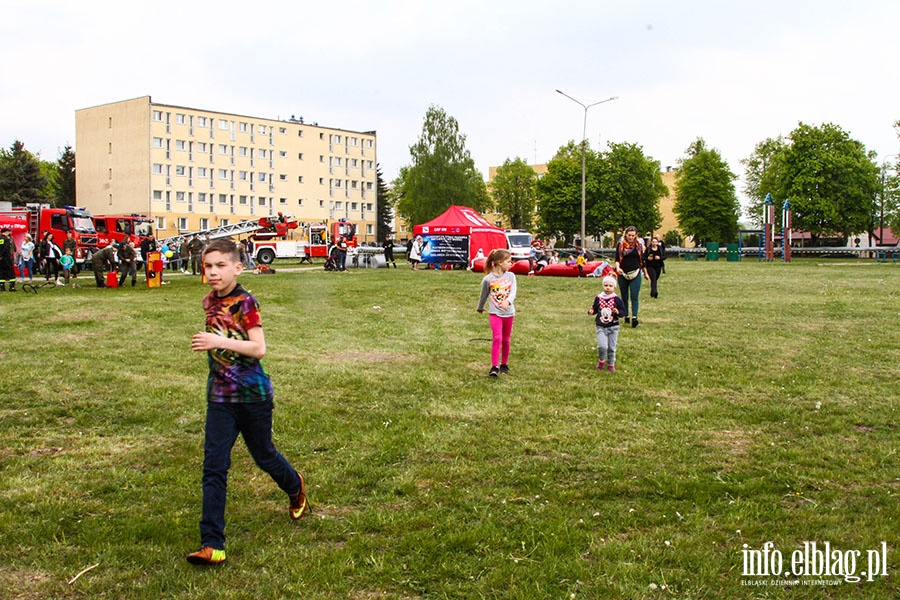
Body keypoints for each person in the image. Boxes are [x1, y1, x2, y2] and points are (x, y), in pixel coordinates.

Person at [186, 238, 307, 566]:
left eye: (220, 266)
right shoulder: (208, 301)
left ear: (238, 268)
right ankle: (213, 543)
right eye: (208, 266)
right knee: (214, 466)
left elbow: (258, 349)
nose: (213, 272)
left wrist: (217, 341)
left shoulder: (246, 302)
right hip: (220, 397)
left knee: (264, 454)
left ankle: (295, 485)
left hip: (253, 396)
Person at [476, 248, 517, 377]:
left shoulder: (511, 276)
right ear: (500, 262)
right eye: (509, 261)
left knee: (506, 340)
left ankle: (504, 364)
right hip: (495, 313)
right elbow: (483, 295)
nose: (511, 264)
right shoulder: (488, 279)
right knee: (497, 338)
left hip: (509, 313)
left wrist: (508, 301)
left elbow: (513, 291)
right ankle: (494, 366)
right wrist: (480, 307)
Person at [588, 276, 626, 372]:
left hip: (613, 326)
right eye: (605, 285)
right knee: (602, 346)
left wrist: (618, 312)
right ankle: (601, 360)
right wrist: (591, 311)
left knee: (611, 347)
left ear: (614, 288)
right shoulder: (599, 298)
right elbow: (595, 308)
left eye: (610, 286)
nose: (608, 287)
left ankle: (611, 363)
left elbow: (623, 312)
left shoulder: (617, 299)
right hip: (601, 326)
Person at [615, 226, 648, 328]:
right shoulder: (620, 245)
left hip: (636, 272)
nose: (631, 237)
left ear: (636, 236)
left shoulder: (639, 246)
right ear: (626, 235)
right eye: (629, 235)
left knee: (634, 295)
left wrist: (645, 273)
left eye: (633, 235)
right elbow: (617, 259)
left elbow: (642, 261)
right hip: (623, 273)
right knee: (624, 296)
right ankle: (626, 315)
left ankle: (634, 317)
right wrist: (617, 268)